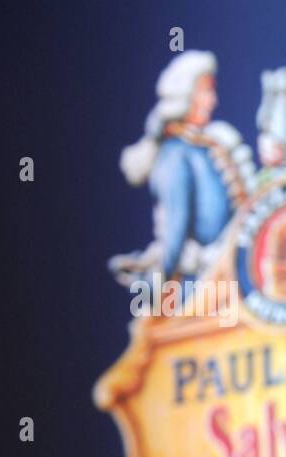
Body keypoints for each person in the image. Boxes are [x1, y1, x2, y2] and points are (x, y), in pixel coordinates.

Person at [109, 50, 254, 291]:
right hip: (203, 285)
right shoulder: (174, 156)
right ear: (187, 97)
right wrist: (158, 288)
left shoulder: (208, 143)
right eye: (207, 92)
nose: (213, 100)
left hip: (233, 269)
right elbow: (174, 233)